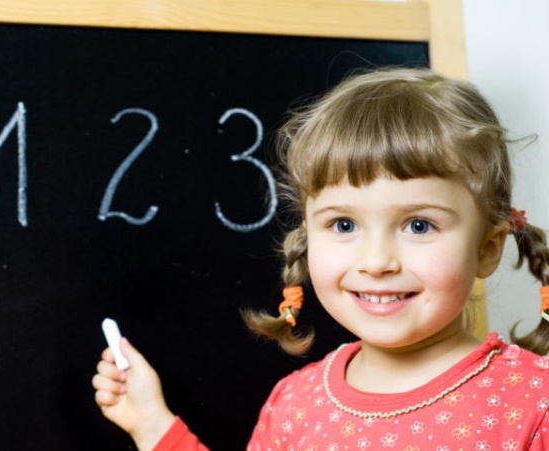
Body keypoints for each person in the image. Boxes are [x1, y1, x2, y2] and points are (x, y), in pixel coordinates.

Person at [92, 67, 549, 450]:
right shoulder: (293, 404)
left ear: (487, 249)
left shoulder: (534, 400)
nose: (376, 261)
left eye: (419, 225)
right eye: (344, 225)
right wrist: (152, 425)